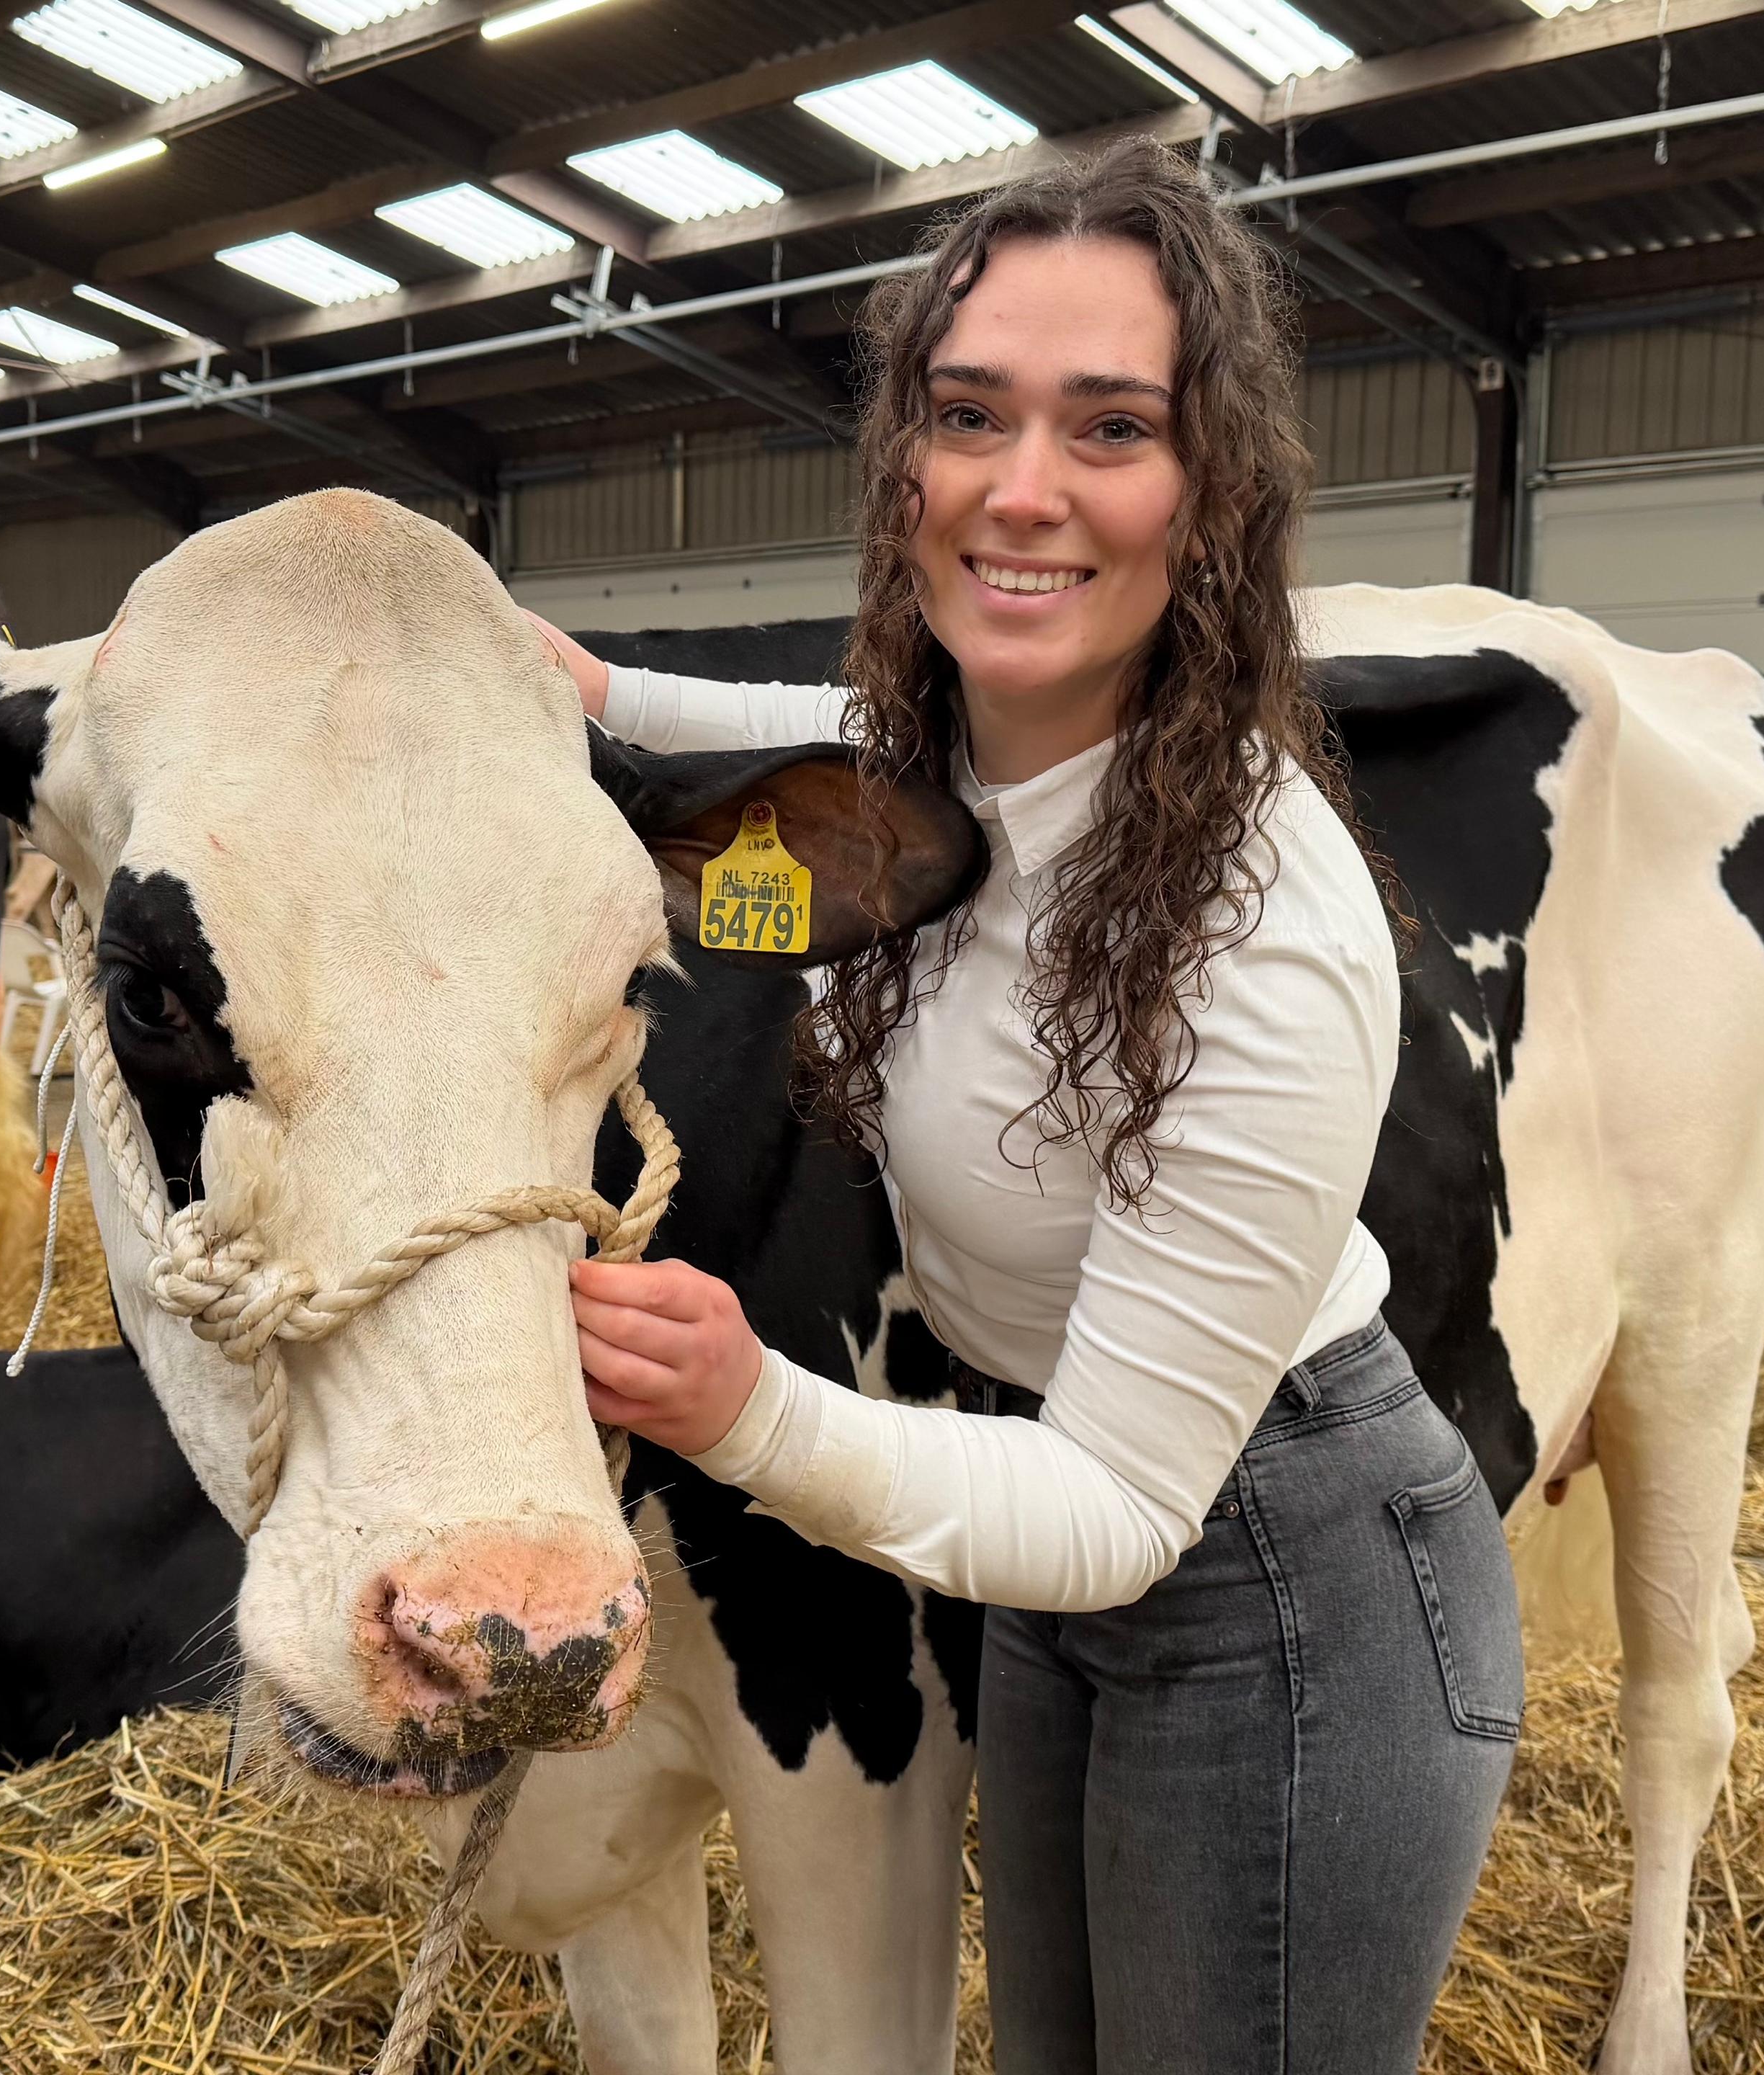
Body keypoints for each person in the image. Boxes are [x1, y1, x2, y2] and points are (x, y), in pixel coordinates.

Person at [528, 138, 1521, 2075]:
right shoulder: (933, 764)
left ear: (1210, 489)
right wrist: (555, 683)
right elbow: (770, 731)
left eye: (1111, 427)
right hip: (1037, 1524)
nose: (1023, 489)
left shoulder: (1261, 918)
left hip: (1278, 1581)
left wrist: (748, 1411)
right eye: (966, 415)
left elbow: (1125, 1511)